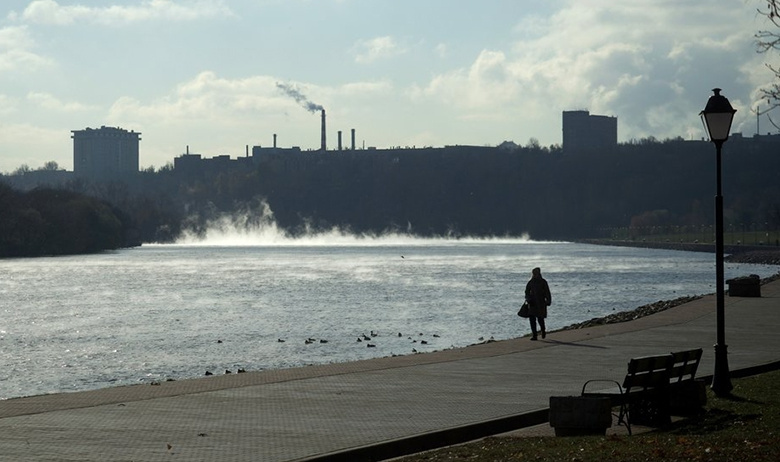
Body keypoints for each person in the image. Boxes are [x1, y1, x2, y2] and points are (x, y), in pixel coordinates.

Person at [524, 267, 551, 340]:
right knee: (532, 319)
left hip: (540, 303)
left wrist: (548, 301)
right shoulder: (531, 282)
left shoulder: (543, 282)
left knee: (540, 318)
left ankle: (543, 330)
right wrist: (528, 299)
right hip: (532, 303)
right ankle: (534, 335)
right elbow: (527, 291)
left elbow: (547, 292)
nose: (534, 274)